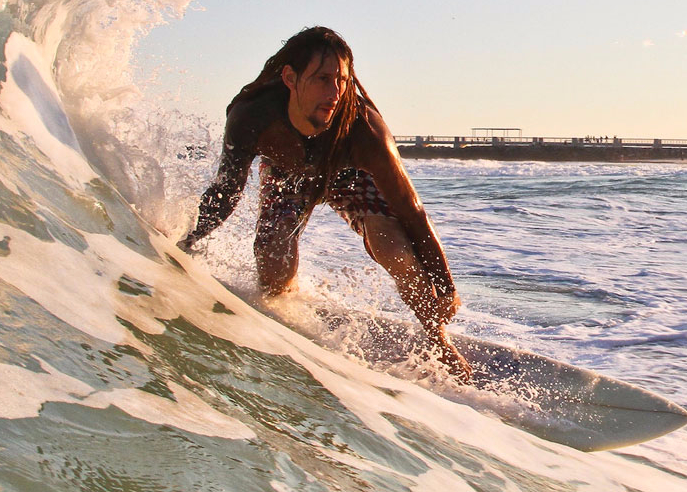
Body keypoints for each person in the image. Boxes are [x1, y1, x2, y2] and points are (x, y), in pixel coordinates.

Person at [178, 26, 472, 380]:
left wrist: (445, 284)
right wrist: (185, 241)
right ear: (290, 77)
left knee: (392, 246)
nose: (334, 92)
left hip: (349, 174)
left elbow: (412, 211)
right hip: (288, 173)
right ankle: (288, 328)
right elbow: (224, 194)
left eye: (342, 80)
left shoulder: (364, 129)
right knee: (271, 262)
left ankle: (437, 339)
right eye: (321, 79)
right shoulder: (252, 117)